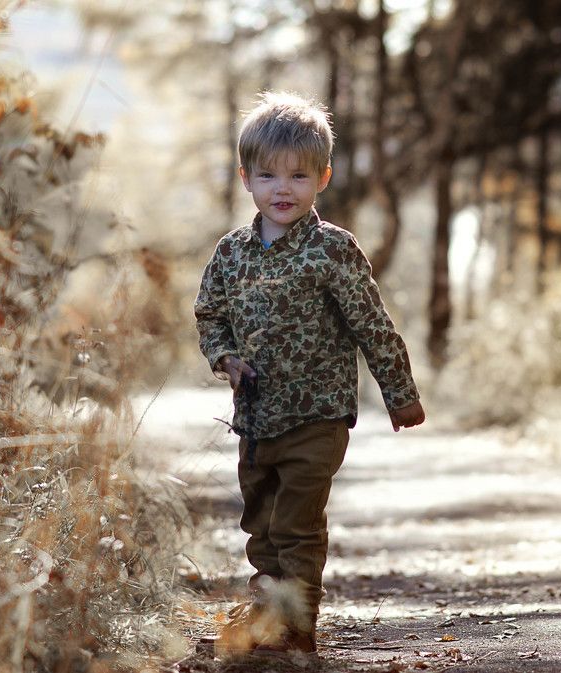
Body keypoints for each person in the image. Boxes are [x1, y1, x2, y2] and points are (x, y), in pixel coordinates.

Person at [193, 91, 426, 656]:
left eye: (298, 176)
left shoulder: (332, 250)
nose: (283, 188)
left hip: (318, 417)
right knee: (262, 524)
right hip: (255, 416)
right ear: (246, 178)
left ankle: (296, 632)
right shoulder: (232, 253)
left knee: (296, 523)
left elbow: (373, 324)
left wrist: (400, 394)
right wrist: (224, 357)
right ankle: (268, 616)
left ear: (322, 177)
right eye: (269, 175)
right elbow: (210, 313)